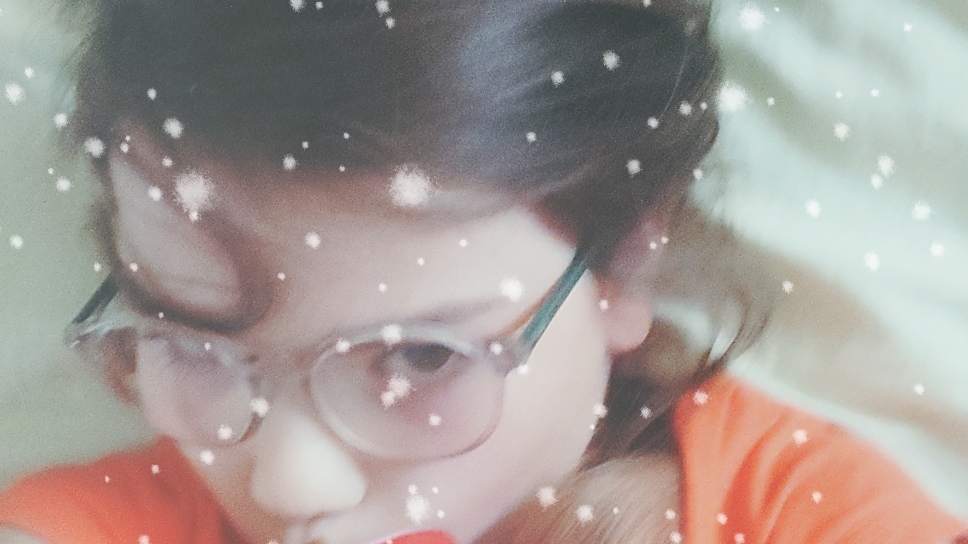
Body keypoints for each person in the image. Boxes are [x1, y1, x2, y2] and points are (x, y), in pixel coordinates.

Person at [0, 0, 965, 543]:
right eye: (190, 342)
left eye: (419, 357)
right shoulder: (101, 523)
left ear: (622, 262)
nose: (294, 486)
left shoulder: (800, 514)